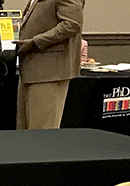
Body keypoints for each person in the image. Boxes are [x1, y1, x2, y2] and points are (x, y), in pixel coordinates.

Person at [16, 0, 84, 130]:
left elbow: (72, 24)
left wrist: (36, 42)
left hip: (50, 72)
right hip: (30, 70)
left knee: (42, 135)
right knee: (25, 135)